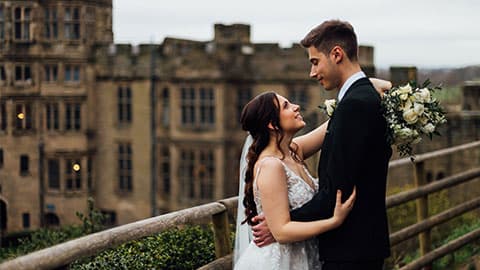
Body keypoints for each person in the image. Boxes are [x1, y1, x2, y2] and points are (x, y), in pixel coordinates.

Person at [250, 20, 393, 270]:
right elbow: (331, 128)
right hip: (351, 247)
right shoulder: (354, 103)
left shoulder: (354, 106)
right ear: (272, 125)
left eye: (315, 62)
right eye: (285, 105)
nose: (312, 73)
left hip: (350, 251)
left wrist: (279, 226)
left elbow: (335, 192)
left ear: (337, 54)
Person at [234, 91, 356, 269]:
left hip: (304, 255)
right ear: (271, 124)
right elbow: (282, 232)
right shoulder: (271, 166)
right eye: (286, 106)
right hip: (281, 261)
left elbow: (335, 123)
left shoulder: (293, 151)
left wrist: (362, 88)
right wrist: (334, 221)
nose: (296, 106)